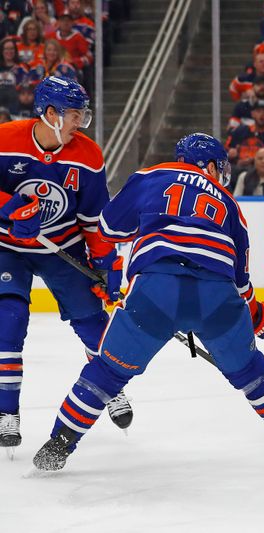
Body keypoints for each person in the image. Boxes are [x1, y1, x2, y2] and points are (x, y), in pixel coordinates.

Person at [31, 133, 264, 471]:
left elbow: (107, 228)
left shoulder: (151, 176)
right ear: (210, 166)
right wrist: (258, 315)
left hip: (155, 289)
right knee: (252, 372)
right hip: (217, 296)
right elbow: (241, 283)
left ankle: (58, 446)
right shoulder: (230, 204)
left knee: (105, 372)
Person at [0, 77, 132, 452]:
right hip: (7, 246)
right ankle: (5, 412)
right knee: (7, 318)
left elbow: (94, 219)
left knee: (92, 321)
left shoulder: (87, 154)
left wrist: (106, 263)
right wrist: (8, 208)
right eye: (75, 115)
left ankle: (109, 388)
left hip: (63, 244)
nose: (81, 122)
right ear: (51, 113)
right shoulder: (6, 139)